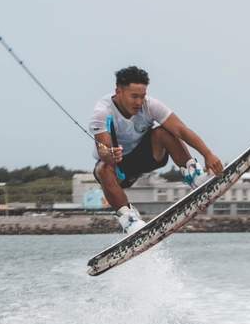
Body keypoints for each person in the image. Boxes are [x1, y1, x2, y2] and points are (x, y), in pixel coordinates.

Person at [90, 65, 223, 234]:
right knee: (102, 169)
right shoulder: (102, 112)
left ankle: (194, 176)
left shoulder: (150, 105)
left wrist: (208, 154)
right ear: (118, 92)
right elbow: (103, 148)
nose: (139, 102)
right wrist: (109, 155)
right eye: (134, 96)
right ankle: (130, 221)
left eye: (142, 96)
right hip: (118, 168)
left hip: (148, 158)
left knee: (163, 132)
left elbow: (181, 130)